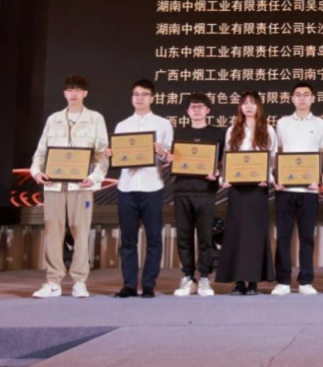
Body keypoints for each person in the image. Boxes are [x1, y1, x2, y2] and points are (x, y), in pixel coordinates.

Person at [29, 76, 109, 298]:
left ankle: (79, 281)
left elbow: (102, 155)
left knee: (80, 232)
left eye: (78, 90)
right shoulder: (53, 119)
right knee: (53, 232)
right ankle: (53, 281)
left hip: (81, 187)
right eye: (70, 90)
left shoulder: (95, 119)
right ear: (64, 93)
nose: (74, 93)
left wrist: (94, 177)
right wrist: (37, 172)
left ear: (85, 93)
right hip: (53, 186)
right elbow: (40, 153)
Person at [107, 79, 174, 299]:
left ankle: (148, 285)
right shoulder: (122, 125)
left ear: (152, 98)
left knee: (154, 239)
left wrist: (163, 153)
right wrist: (112, 155)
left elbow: (169, 157)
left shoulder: (163, 124)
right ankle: (128, 285)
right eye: (136, 94)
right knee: (128, 240)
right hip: (126, 187)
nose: (139, 98)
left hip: (152, 186)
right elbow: (118, 155)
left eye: (144, 94)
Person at [216, 91, 277, 295]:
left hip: (258, 188)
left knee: (255, 234)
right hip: (237, 188)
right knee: (237, 232)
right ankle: (239, 281)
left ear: (259, 106)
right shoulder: (232, 130)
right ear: (240, 107)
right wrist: (224, 179)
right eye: (245, 103)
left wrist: (266, 177)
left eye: (253, 103)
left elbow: (272, 159)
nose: (249, 106)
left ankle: (253, 281)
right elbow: (227, 157)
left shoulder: (268, 130)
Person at [272, 81, 323, 296]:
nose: (302, 98)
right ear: (292, 99)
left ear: (312, 98)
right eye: (298, 94)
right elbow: (278, 152)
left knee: (307, 238)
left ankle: (306, 281)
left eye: (306, 94)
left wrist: (318, 178)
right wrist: (277, 177)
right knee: (283, 237)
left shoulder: (321, 124)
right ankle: (283, 281)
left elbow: (322, 154)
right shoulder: (282, 123)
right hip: (285, 189)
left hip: (309, 191)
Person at [170, 93, 223, 298]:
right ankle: (188, 277)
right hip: (182, 190)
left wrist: (217, 170)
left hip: (205, 191)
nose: (197, 110)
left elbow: (224, 161)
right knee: (184, 236)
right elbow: (172, 159)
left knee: (205, 237)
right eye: (193, 107)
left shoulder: (217, 134)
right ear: (187, 111)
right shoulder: (179, 133)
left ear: (208, 110)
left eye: (201, 107)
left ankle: (204, 278)